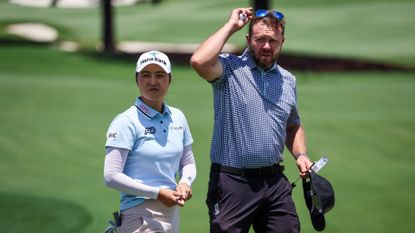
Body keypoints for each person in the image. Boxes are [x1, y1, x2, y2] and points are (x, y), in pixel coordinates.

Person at [190, 7, 313, 233]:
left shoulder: (288, 80)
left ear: (282, 41)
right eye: (260, 39)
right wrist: (231, 26)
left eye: (273, 40)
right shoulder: (229, 69)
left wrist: (301, 155)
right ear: (248, 39)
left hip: (275, 182)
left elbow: (292, 124)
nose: (266, 46)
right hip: (232, 182)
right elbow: (199, 61)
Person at [104, 50, 196, 233]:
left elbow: (188, 162)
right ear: (137, 80)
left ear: (169, 80)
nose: (153, 81)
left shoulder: (178, 117)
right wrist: (157, 193)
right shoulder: (126, 121)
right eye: (146, 75)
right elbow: (111, 176)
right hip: (139, 214)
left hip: (171, 212)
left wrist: (185, 182)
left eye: (160, 75)